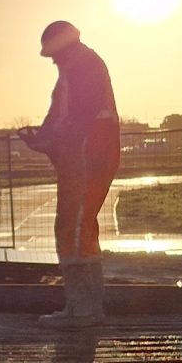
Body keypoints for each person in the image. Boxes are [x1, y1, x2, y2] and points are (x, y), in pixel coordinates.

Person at [23, 20, 119, 324]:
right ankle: (85, 308)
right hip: (83, 156)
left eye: (53, 54)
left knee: (73, 229)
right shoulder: (75, 71)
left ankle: (84, 310)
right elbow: (62, 119)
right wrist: (41, 139)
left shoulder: (84, 67)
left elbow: (78, 120)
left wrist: (50, 139)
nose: (52, 60)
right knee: (79, 227)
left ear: (63, 48)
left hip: (88, 156)